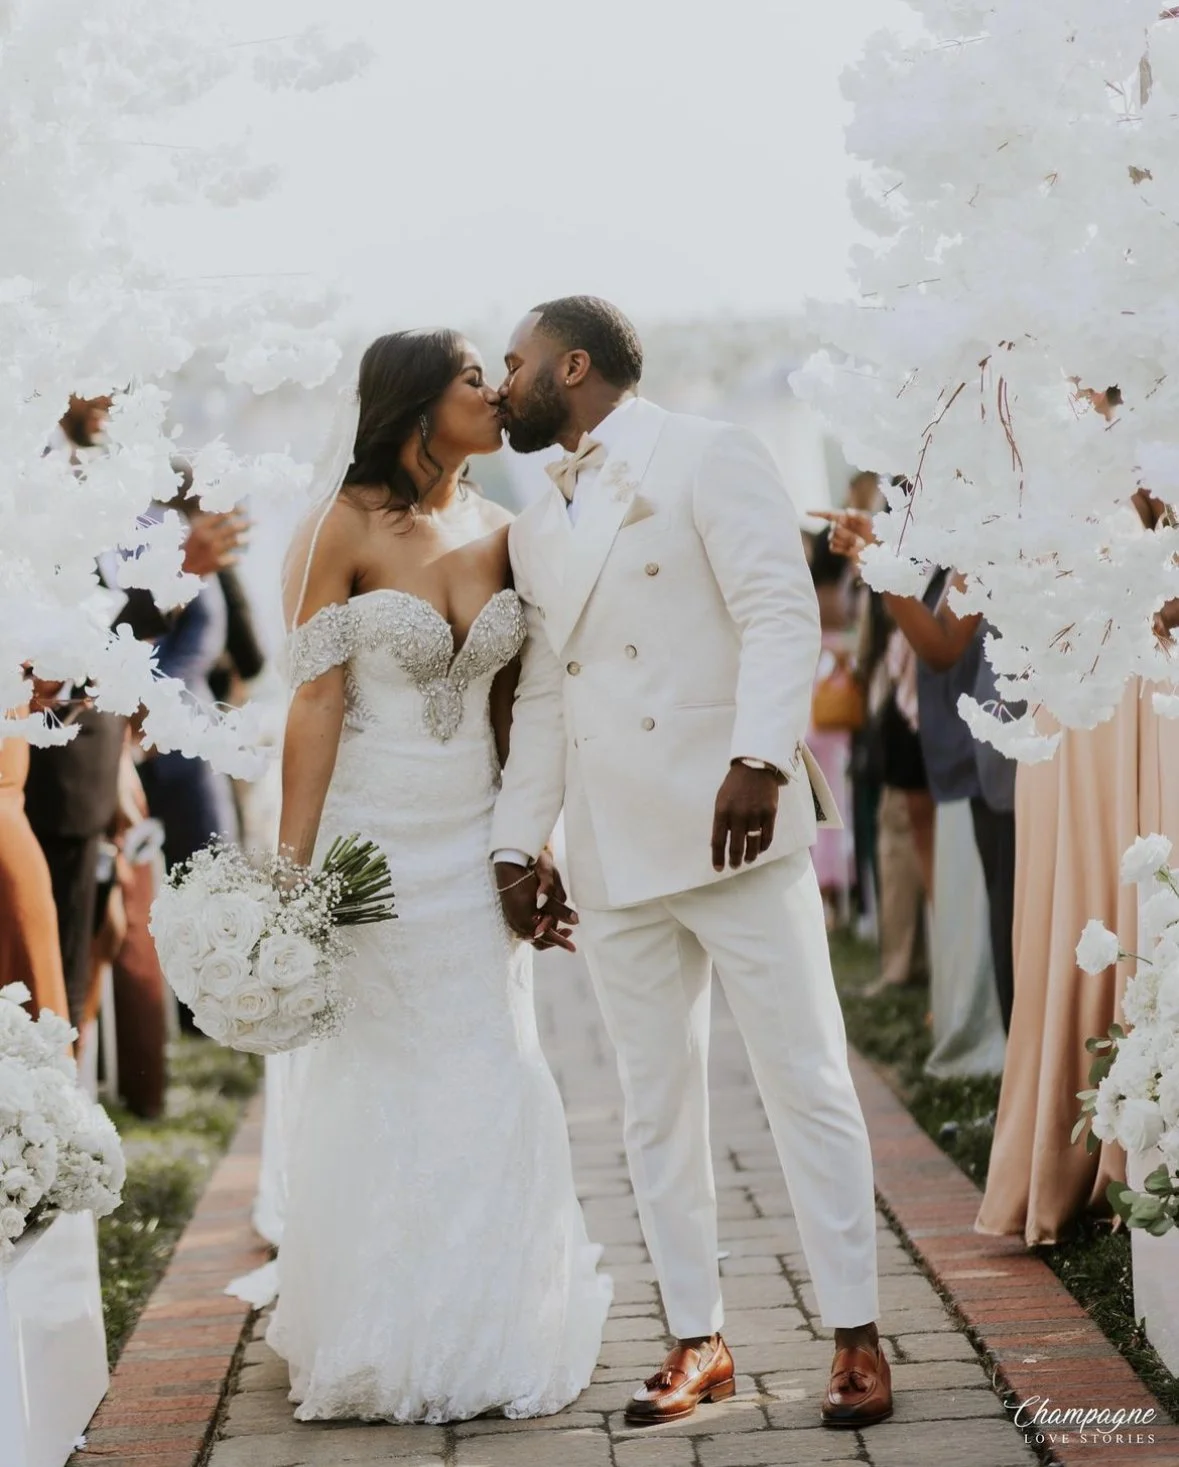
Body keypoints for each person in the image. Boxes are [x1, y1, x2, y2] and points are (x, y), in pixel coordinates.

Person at [491, 297, 888, 1430]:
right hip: (616, 851)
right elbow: (555, 692)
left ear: (571, 365)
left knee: (803, 1080)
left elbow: (778, 610)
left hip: (733, 825)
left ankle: (856, 1331)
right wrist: (523, 842)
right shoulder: (531, 524)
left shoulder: (711, 452)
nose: (499, 383)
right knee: (651, 1107)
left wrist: (762, 757)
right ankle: (696, 1339)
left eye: (512, 365)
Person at [263, 329, 610, 1423]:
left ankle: (493, 1319)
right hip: (373, 845)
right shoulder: (342, 527)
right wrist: (291, 870)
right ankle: (378, 1329)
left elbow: (517, 708)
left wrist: (529, 844)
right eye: (475, 379)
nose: (498, 394)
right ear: (419, 403)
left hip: (473, 843)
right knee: (385, 1074)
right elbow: (315, 700)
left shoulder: (509, 530)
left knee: (495, 1067)